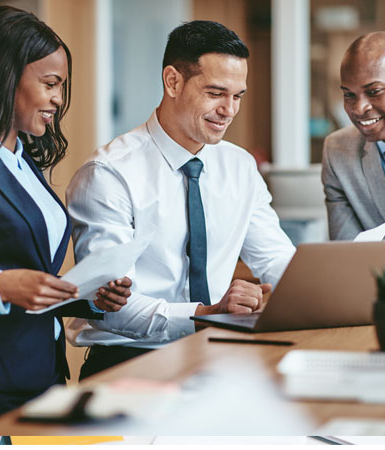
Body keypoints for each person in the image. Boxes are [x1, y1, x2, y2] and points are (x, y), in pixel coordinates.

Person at [66, 20, 295, 379]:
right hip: (129, 365)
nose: (229, 110)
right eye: (216, 92)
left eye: (237, 96)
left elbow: (275, 258)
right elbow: (111, 307)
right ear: (173, 81)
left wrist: (318, 293)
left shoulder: (239, 167)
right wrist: (208, 313)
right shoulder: (109, 173)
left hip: (219, 358)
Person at [0, 6, 131, 427]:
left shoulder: (22, 163)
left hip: (46, 374)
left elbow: (31, 273)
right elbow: (6, 278)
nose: (59, 100)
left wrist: (87, 295)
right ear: (4, 76)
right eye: (50, 84)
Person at [322, 31, 385, 240]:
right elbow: (348, 253)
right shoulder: (338, 152)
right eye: (349, 95)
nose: (359, 109)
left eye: (374, 91)